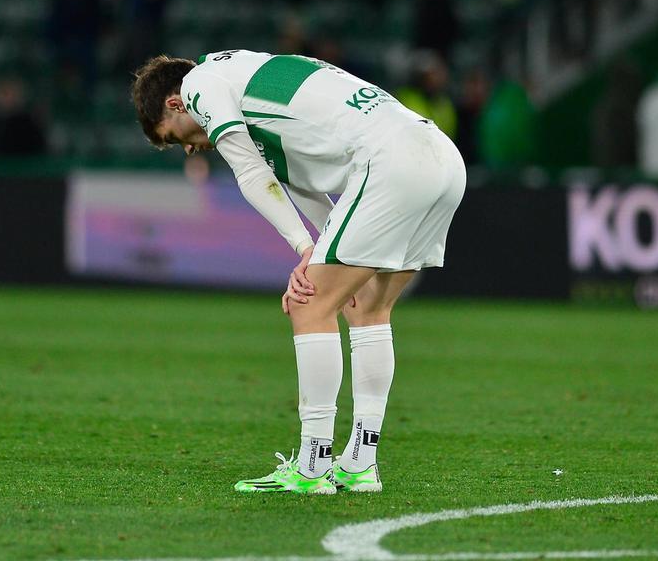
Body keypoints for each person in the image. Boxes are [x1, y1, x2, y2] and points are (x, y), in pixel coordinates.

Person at [130, 50, 466, 494]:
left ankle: (312, 466)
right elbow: (302, 181)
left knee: (309, 303)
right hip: (441, 157)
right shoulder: (249, 76)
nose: (189, 148)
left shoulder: (199, 84)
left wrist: (306, 250)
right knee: (368, 307)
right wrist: (319, 249)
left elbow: (249, 171)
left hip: (393, 159)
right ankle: (360, 463)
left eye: (175, 137)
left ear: (176, 104)